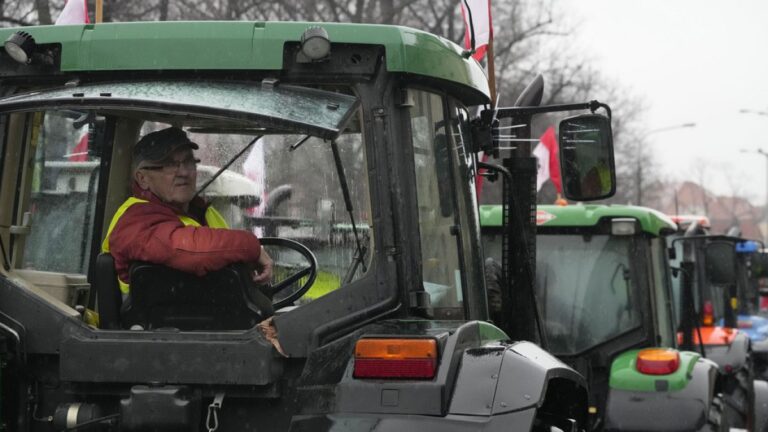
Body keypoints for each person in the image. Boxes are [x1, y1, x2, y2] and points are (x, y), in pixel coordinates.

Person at [101, 127, 273, 299]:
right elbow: (192, 252)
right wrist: (251, 247)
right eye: (169, 164)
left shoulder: (205, 212)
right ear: (142, 178)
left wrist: (244, 265)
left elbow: (222, 257)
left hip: (216, 320)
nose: (184, 172)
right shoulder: (134, 218)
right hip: (148, 325)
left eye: (189, 162)